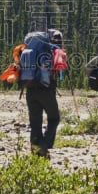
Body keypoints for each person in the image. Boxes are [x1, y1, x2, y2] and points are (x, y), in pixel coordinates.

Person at [26, 29, 64, 158]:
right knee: (54, 118)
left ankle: (36, 147)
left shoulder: (30, 49)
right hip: (46, 89)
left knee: (35, 120)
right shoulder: (54, 51)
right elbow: (61, 69)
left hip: (30, 89)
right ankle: (44, 144)